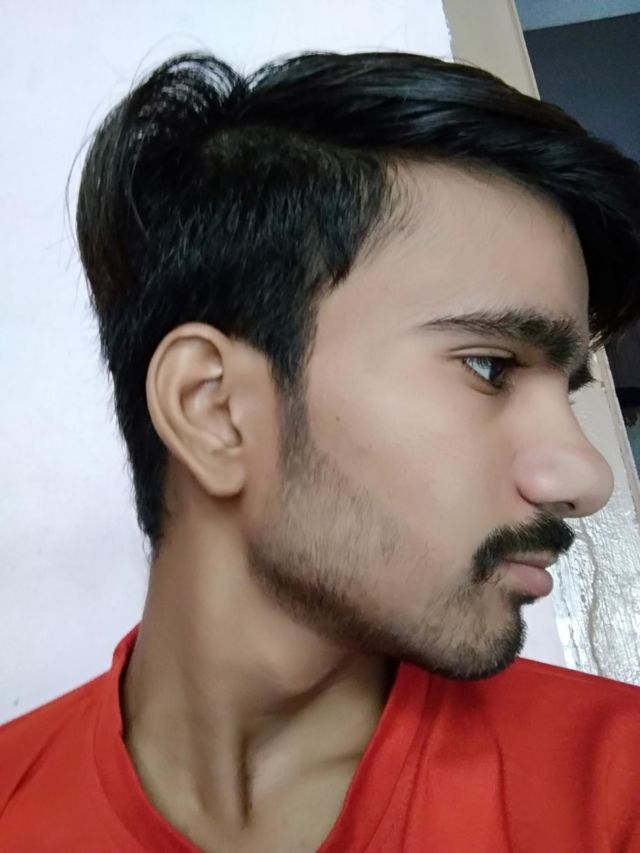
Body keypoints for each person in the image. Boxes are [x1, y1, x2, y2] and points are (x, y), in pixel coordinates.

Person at [1, 48, 639, 852]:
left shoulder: (614, 786)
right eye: (489, 366)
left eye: (567, 391)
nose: (585, 475)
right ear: (214, 408)